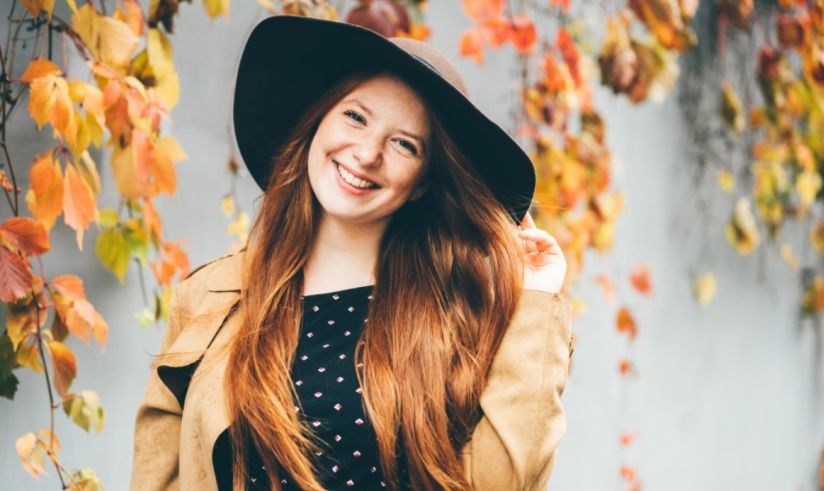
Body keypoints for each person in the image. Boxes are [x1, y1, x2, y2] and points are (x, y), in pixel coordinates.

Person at [130, 15, 575, 491]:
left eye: (403, 144)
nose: (366, 153)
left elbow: (502, 482)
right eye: (355, 117)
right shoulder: (210, 298)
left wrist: (536, 298)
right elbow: (160, 473)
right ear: (317, 120)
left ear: (424, 182)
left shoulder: (459, 319)